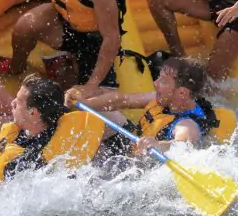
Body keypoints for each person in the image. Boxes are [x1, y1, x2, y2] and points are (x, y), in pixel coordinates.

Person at [82, 57, 223, 159]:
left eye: (163, 81)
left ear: (181, 92)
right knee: (102, 113)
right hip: (133, 144)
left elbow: (182, 145)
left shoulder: (186, 124)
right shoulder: (162, 98)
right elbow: (123, 101)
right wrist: (85, 102)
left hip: (139, 166)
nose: (155, 83)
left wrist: (157, 145)